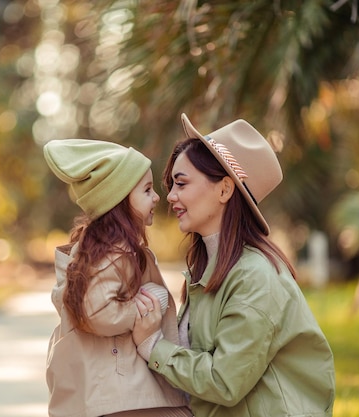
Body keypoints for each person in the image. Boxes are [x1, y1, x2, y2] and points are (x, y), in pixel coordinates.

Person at [132, 114, 336, 417]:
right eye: (170, 185)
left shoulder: (255, 277)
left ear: (225, 190)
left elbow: (223, 380)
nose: (171, 196)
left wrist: (153, 345)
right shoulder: (208, 270)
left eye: (181, 183)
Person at [43, 139, 192, 417]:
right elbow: (96, 310)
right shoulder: (116, 252)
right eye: (147, 190)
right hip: (125, 399)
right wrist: (146, 306)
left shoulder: (101, 251)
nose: (157, 197)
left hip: (114, 396)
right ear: (119, 200)